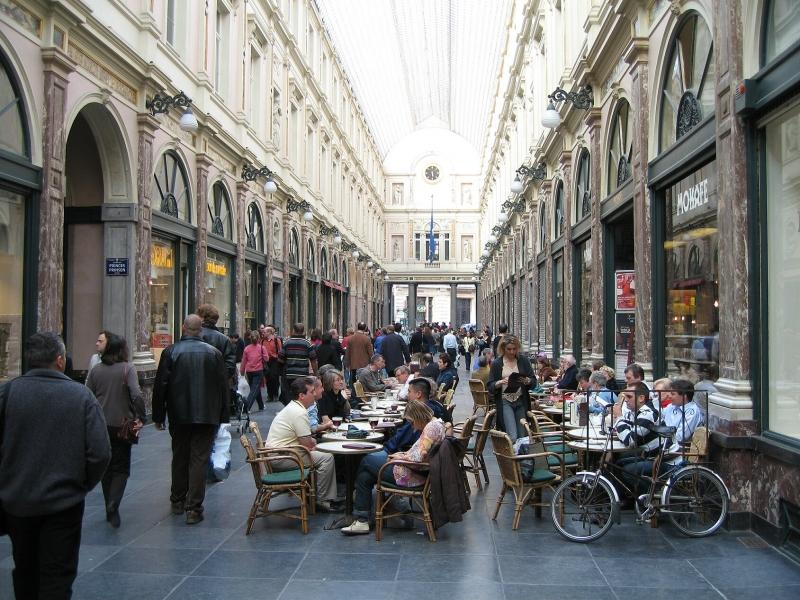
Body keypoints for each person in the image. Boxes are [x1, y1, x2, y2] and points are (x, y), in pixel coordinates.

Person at [0, 332, 110, 599]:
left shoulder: (8, 392)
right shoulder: (80, 397)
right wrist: (81, 484)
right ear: (60, 360)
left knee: (24, 569)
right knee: (57, 574)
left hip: (17, 500)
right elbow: (100, 453)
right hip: (63, 502)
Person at [152, 314, 229, 525]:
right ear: (200, 330)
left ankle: (177, 500)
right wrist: (223, 415)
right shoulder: (213, 353)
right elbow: (223, 387)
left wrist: (158, 416)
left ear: (184, 328)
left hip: (179, 414)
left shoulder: (171, 352)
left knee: (180, 456)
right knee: (199, 459)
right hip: (207, 415)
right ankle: (194, 508)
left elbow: (161, 387)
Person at [342, 389, 447, 535]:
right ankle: (362, 519)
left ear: (418, 417)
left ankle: (361, 512)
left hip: (410, 475)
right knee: (365, 476)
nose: (412, 426)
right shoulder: (436, 424)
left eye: (411, 422)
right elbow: (419, 453)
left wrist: (399, 458)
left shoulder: (430, 429)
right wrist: (402, 454)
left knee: (366, 460)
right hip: (414, 471)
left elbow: (417, 459)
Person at [85, 332, 145, 529]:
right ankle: (114, 502)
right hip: (122, 425)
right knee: (121, 467)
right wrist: (140, 417)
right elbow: (136, 395)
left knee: (107, 468)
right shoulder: (127, 369)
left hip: (101, 425)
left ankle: (108, 504)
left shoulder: (96, 371)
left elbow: (88, 395)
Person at [265, 376, 339, 511]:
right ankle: (322, 500)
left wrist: (313, 442)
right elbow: (307, 445)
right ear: (301, 395)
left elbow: (307, 439)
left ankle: (317, 494)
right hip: (283, 457)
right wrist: (313, 443)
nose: (315, 394)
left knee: (321, 453)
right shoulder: (299, 412)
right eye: (311, 392)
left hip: (281, 453)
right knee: (326, 458)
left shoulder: (295, 408)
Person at [613, 382, 662, 494]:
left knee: (627, 471)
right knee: (616, 461)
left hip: (659, 457)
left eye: (629, 396)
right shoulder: (636, 412)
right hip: (647, 453)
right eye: (625, 396)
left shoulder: (647, 414)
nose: (625, 400)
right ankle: (624, 497)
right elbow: (625, 432)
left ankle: (651, 496)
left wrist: (619, 417)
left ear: (641, 398)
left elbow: (629, 440)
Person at [487, 335, 536, 442]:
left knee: (522, 436)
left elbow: (533, 380)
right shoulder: (497, 364)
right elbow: (490, 386)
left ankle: (522, 458)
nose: (512, 352)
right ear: (503, 348)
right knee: (512, 435)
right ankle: (511, 457)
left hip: (520, 401)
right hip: (505, 401)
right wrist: (499, 383)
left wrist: (527, 381)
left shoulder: (523, 361)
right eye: (509, 349)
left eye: (514, 349)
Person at [661, 378, 705, 466]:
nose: (669, 396)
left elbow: (680, 437)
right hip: (663, 448)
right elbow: (658, 419)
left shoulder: (692, 412)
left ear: (684, 396)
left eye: (673, 394)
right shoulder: (671, 406)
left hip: (675, 456)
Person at [279, 323, 318, 405]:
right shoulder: (308, 343)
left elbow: (280, 359)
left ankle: (291, 410)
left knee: (290, 394)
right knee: (301, 394)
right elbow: (313, 360)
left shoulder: (287, 343)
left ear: (293, 330)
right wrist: (316, 373)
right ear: (303, 331)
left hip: (289, 374)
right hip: (302, 375)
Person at [197, 303, 237, 380]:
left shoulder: (193, 335)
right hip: (215, 385)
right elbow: (230, 367)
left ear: (201, 318)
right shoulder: (224, 339)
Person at [240, 330, 267, 411]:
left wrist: (242, 372)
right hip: (258, 370)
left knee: (254, 388)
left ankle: (261, 405)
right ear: (259, 338)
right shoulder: (262, 348)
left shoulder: (247, 349)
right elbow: (267, 359)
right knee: (254, 389)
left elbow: (243, 361)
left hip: (249, 371)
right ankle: (246, 407)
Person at [260, 325, 282, 403]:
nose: (263, 333)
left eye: (265, 332)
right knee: (268, 378)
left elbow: (280, 351)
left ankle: (275, 394)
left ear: (269, 332)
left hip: (274, 360)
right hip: (266, 361)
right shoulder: (262, 341)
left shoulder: (276, 340)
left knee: (274, 377)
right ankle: (270, 395)